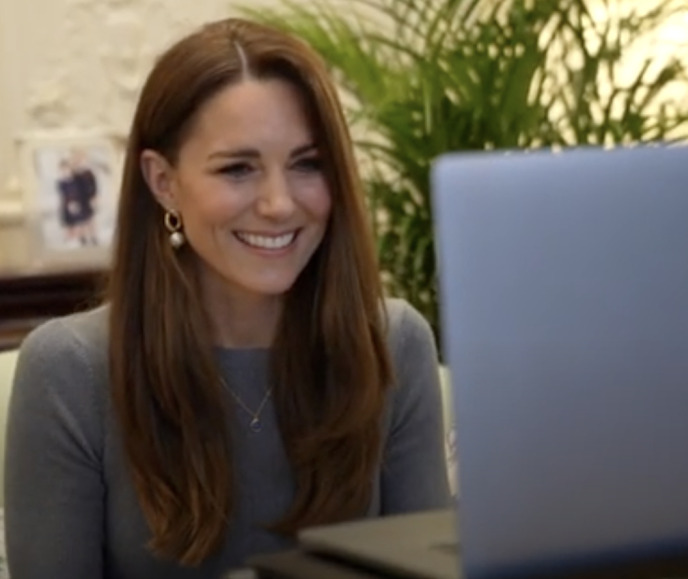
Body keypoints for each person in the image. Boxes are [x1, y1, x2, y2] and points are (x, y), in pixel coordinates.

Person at [4, 17, 451, 579]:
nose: (279, 203)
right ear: (163, 181)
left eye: (307, 164)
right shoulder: (70, 370)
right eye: (238, 169)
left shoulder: (393, 344)